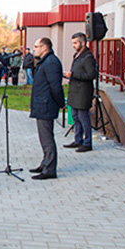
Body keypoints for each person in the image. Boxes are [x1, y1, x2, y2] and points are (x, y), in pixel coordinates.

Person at [28, 37, 66, 180]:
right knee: (43, 138)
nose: (34, 49)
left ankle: (50, 169)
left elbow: (55, 86)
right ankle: (45, 163)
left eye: (36, 46)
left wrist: (61, 102)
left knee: (47, 138)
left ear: (44, 48)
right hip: (41, 103)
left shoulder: (51, 63)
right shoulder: (44, 62)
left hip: (46, 105)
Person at [63, 32, 98, 152]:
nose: (73, 45)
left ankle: (87, 143)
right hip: (75, 91)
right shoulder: (77, 55)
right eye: (73, 43)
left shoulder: (87, 57)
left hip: (83, 92)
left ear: (83, 43)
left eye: (75, 43)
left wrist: (74, 75)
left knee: (83, 117)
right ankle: (78, 140)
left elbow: (91, 74)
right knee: (75, 117)